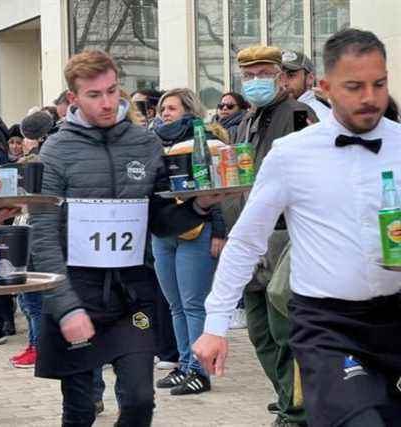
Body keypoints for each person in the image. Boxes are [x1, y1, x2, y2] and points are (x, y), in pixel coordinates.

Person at [195, 28, 401, 427]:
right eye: (354, 86)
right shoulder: (291, 154)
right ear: (324, 87)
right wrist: (215, 324)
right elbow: (246, 241)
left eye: (379, 84)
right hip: (328, 325)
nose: (370, 98)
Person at [31, 49, 221, 427]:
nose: (107, 103)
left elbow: (160, 220)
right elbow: (42, 235)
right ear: (73, 99)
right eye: (94, 95)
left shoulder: (145, 143)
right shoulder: (54, 150)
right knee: (82, 410)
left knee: (139, 401)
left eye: (113, 91)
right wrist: (66, 307)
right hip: (78, 290)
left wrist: (198, 208)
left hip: (131, 292)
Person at [220, 45, 317, 426]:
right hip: (250, 235)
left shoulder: (298, 115)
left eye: (264, 73)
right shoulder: (245, 120)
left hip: (285, 234)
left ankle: (297, 413)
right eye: (249, 75)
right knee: (259, 331)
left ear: (280, 75)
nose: (256, 81)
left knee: (284, 330)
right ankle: (284, 398)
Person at [151, 88, 229, 396]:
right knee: (174, 305)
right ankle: (184, 364)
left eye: (171, 108)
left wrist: (220, 232)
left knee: (193, 304)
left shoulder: (208, 140)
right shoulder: (154, 139)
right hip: (164, 231)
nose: (165, 114)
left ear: (189, 109)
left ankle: (200, 370)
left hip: (198, 230)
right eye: (162, 109)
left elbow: (221, 191)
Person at [281, 50, 332, 121]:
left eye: (291, 75)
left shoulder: (318, 114)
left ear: (310, 78)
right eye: (280, 76)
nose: (284, 83)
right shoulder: (277, 109)